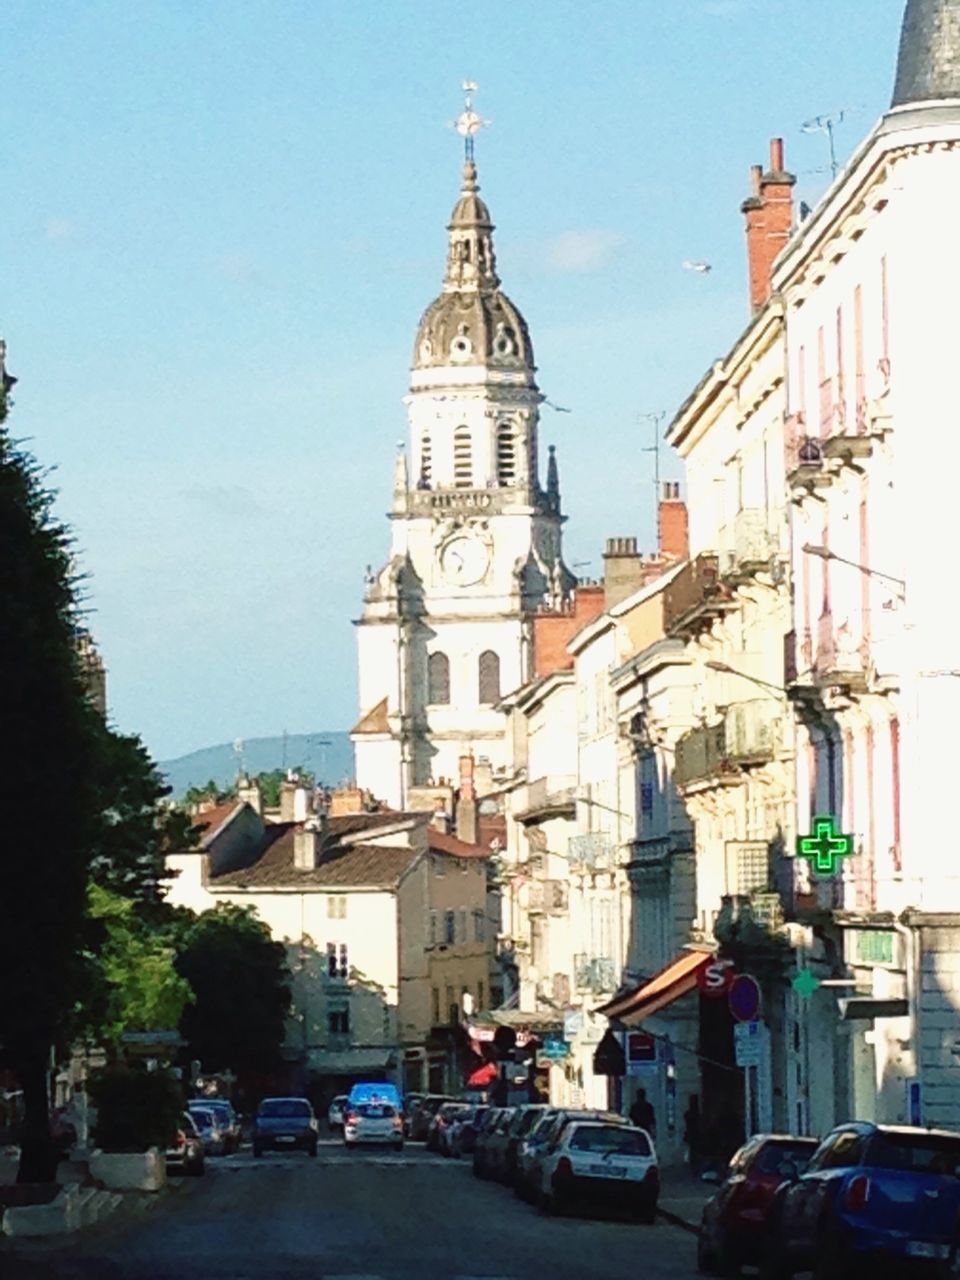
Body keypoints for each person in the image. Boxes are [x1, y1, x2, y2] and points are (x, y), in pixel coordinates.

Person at [683, 1095, 703, 1174]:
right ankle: (695, 1166)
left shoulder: (689, 1114)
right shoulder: (697, 1114)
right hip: (695, 1134)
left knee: (692, 1150)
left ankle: (693, 1166)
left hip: (692, 1134)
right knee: (695, 1151)